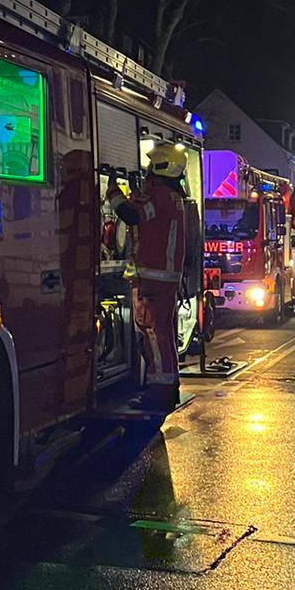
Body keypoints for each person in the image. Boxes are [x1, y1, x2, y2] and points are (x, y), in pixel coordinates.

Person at [107, 143, 190, 410]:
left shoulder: (161, 196)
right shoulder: (173, 197)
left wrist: (112, 191)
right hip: (162, 280)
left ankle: (160, 392)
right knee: (161, 336)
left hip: (153, 282)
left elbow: (131, 216)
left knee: (155, 337)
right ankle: (167, 388)